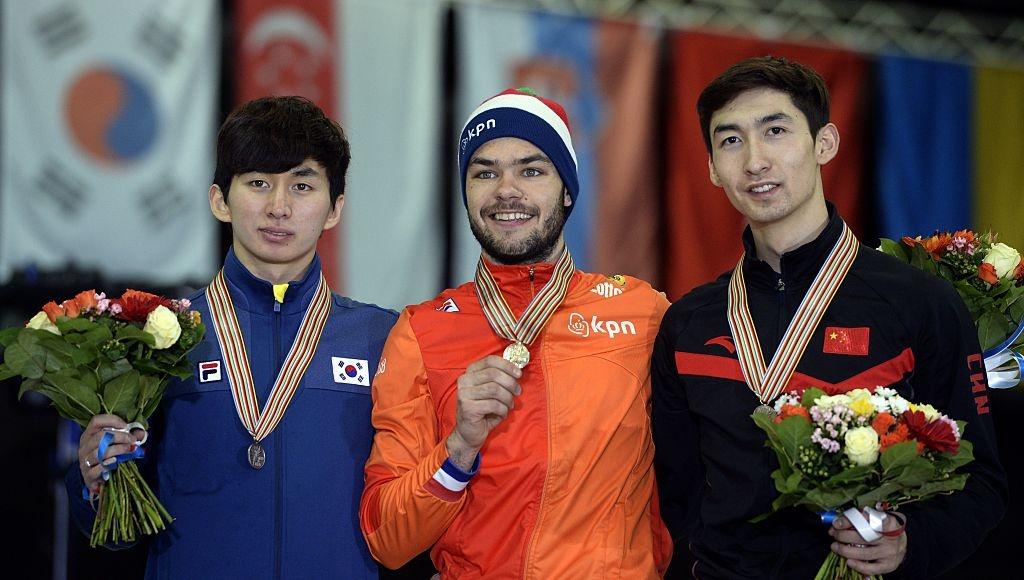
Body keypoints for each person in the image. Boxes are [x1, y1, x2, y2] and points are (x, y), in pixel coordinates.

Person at [651, 56, 1007, 579]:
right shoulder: (688, 323)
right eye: (730, 141)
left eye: (775, 131)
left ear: (826, 144)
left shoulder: (920, 303)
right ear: (710, 168)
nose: (754, 161)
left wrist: (910, 544)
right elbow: (673, 496)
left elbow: (981, 484)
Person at [65, 96, 396, 578]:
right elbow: (114, 534)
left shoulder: (381, 337)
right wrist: (92, 484)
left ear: (334, 209)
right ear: (220, 199)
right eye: (258, 183)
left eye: (302, 186)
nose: (279, 207)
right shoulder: (156, 337)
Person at [359, 88, 672, 578]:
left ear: (567, 189)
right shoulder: (421, 331)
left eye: (531, 170)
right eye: (485, 172)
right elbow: (387, 539)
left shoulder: (644, 315)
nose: (507, 190)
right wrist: (459, 447)